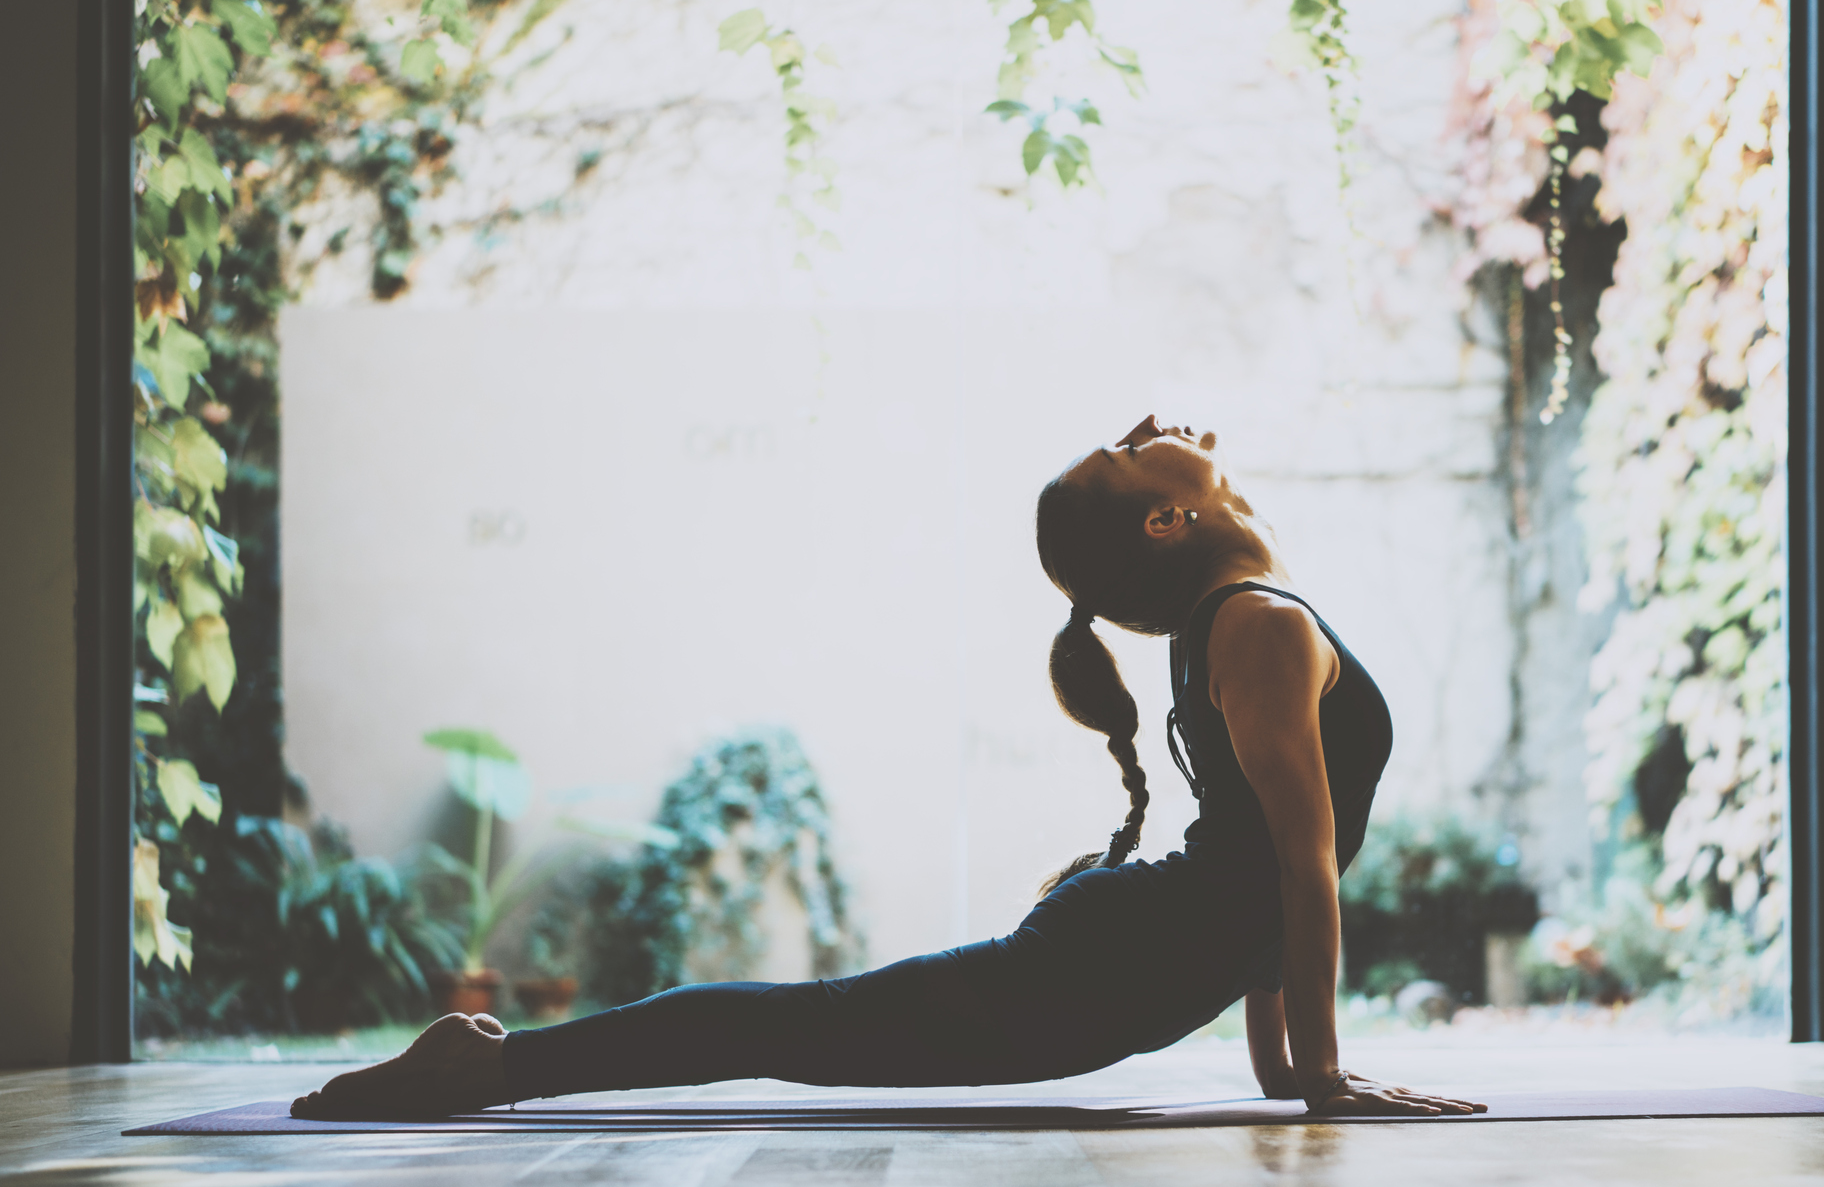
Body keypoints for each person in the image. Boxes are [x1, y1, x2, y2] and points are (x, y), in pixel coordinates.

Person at [291, 416, 1484, 1121]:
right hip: (1111, 964)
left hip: (1129, 961)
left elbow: (1263, 868)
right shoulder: (1256, 623)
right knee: (805, 1026)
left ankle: (493, 1062)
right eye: (1133, 448)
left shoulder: (1234, 620)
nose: (1170, 430)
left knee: (812, 1027)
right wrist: (1316, 1070)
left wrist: (1283, 1066)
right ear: (1165, 520)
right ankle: (491, 1062)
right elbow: (1294, 861)